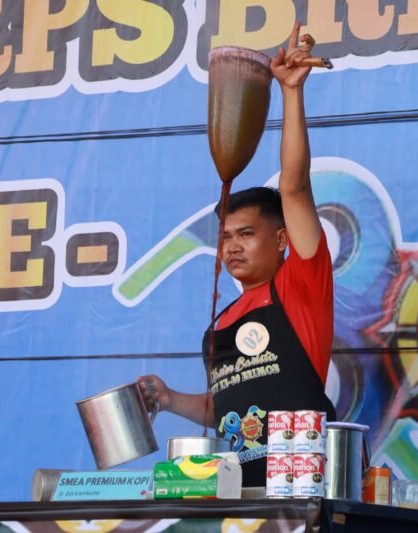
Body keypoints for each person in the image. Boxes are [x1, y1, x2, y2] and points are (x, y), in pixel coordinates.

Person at [139, 22, 336, 487]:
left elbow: (295, 184)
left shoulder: (300, 285)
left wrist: (291, 94)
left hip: (305, 483)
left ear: (283, 240)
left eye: (246, 233)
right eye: (225, 236)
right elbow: (225, 409)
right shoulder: (218, 327)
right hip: (239, 490)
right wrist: (168, 400)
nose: (231, 246)